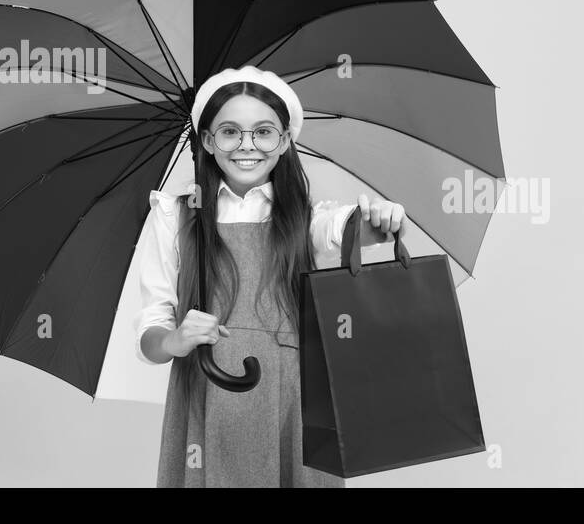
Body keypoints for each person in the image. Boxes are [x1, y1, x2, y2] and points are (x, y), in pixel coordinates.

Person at [134, 66, 406, 487]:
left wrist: (380, 220)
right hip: (206, 395)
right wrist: (176, 339)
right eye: (229, 132)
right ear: (207, 141)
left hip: (294, 397)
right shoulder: (174, 215)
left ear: (284, 142)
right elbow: (152, 335)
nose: (247, 146)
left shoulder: (305, 217)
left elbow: (349, 227)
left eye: (263, 132)